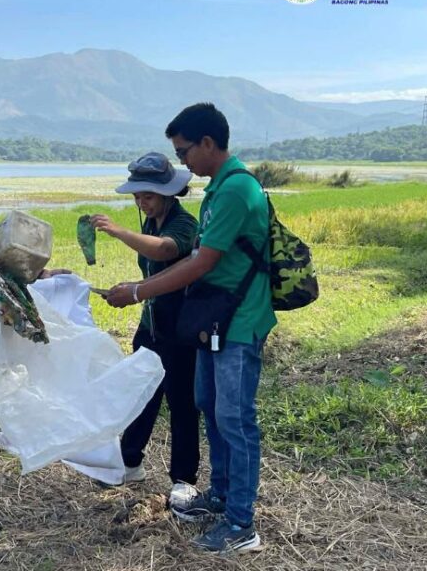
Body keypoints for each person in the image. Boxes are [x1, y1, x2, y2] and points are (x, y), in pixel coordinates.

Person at [106, 103, 276, 553]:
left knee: (235, 419)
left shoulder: (238, 189)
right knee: (209, 404)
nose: (183, 161)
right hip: (216, 321)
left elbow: (200, 261)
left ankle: (241, 524)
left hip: (240, 322)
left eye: (184, 151)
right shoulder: (219, 187)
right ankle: (220, 495)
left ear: (207, 143)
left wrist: (140, 291)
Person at [91, 153, 200, 509]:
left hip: (182, 329)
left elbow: (167, 250)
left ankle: (184, 479)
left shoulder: (183, 224)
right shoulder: (152, 222)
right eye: (137, 196)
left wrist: (118, 231)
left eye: (148, 196)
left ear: (168, 193)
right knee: (142, 393)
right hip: (152, 324)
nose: (142, 202)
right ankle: (130, 461)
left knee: (182, 403)